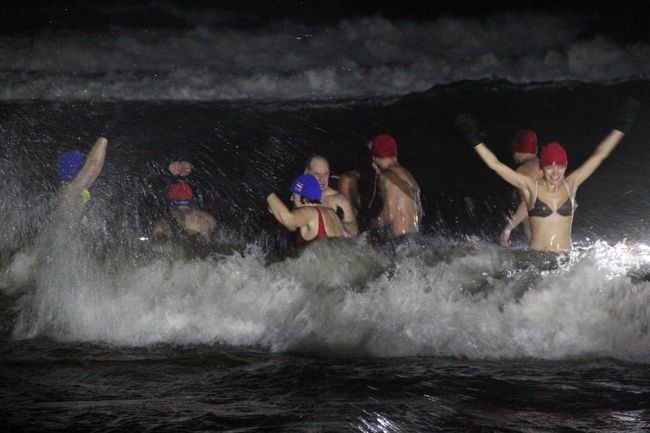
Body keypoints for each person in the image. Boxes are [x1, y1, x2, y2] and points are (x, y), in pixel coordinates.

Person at [457, 98, 639, 252]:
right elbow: (495, 165)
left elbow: (600, 154)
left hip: (565, 261)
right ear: (542, 168)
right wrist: (474, 139)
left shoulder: (571, 184)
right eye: (550, 167)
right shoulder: (531, 187)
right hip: (537, 260)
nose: (555, 173)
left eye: (560, 167)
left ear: (565, 167)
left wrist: (622, 126)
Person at [266, 174, 350, 243]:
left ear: (304, 199)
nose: (291, 199)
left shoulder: (310, 213)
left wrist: (267, 192)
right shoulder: (332, 214)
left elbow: (288, 220)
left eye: (294, 196)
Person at [369, 133, 421, 238]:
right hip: (414, 238)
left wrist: (371, 225)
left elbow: (389, 215)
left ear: (375, 157)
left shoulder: (385, 177)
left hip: (398, 241)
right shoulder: (408, 175)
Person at [499, 129, 542, 246]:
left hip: (541, 247)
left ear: (516, 151)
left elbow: (527, 203)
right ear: (536, 149)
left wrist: (508, 229)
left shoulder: (524, 170)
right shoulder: (550, 169)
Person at [152, 165, 217, 241]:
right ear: (191, 198)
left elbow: (155, 240)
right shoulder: (208, 218)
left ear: (171, 199)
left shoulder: (162, 223)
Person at [56, 137, 108, 222]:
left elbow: (95, 168)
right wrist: (103, 139)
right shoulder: (73, 189)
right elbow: (93, 166)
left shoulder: (74, 189)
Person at [305, 155, 358, 235]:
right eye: (317, 174)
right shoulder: (298, 197)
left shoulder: (339, 200)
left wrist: (334, 225)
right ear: (307, 173)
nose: (322, 179)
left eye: (325, 174)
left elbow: (354, 230)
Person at [337, 141, 381, 233]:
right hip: (357, 231)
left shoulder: (384, 179)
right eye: (370, 155)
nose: (373, 159)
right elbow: (359, 203)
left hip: (378, 229)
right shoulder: (348, 179)